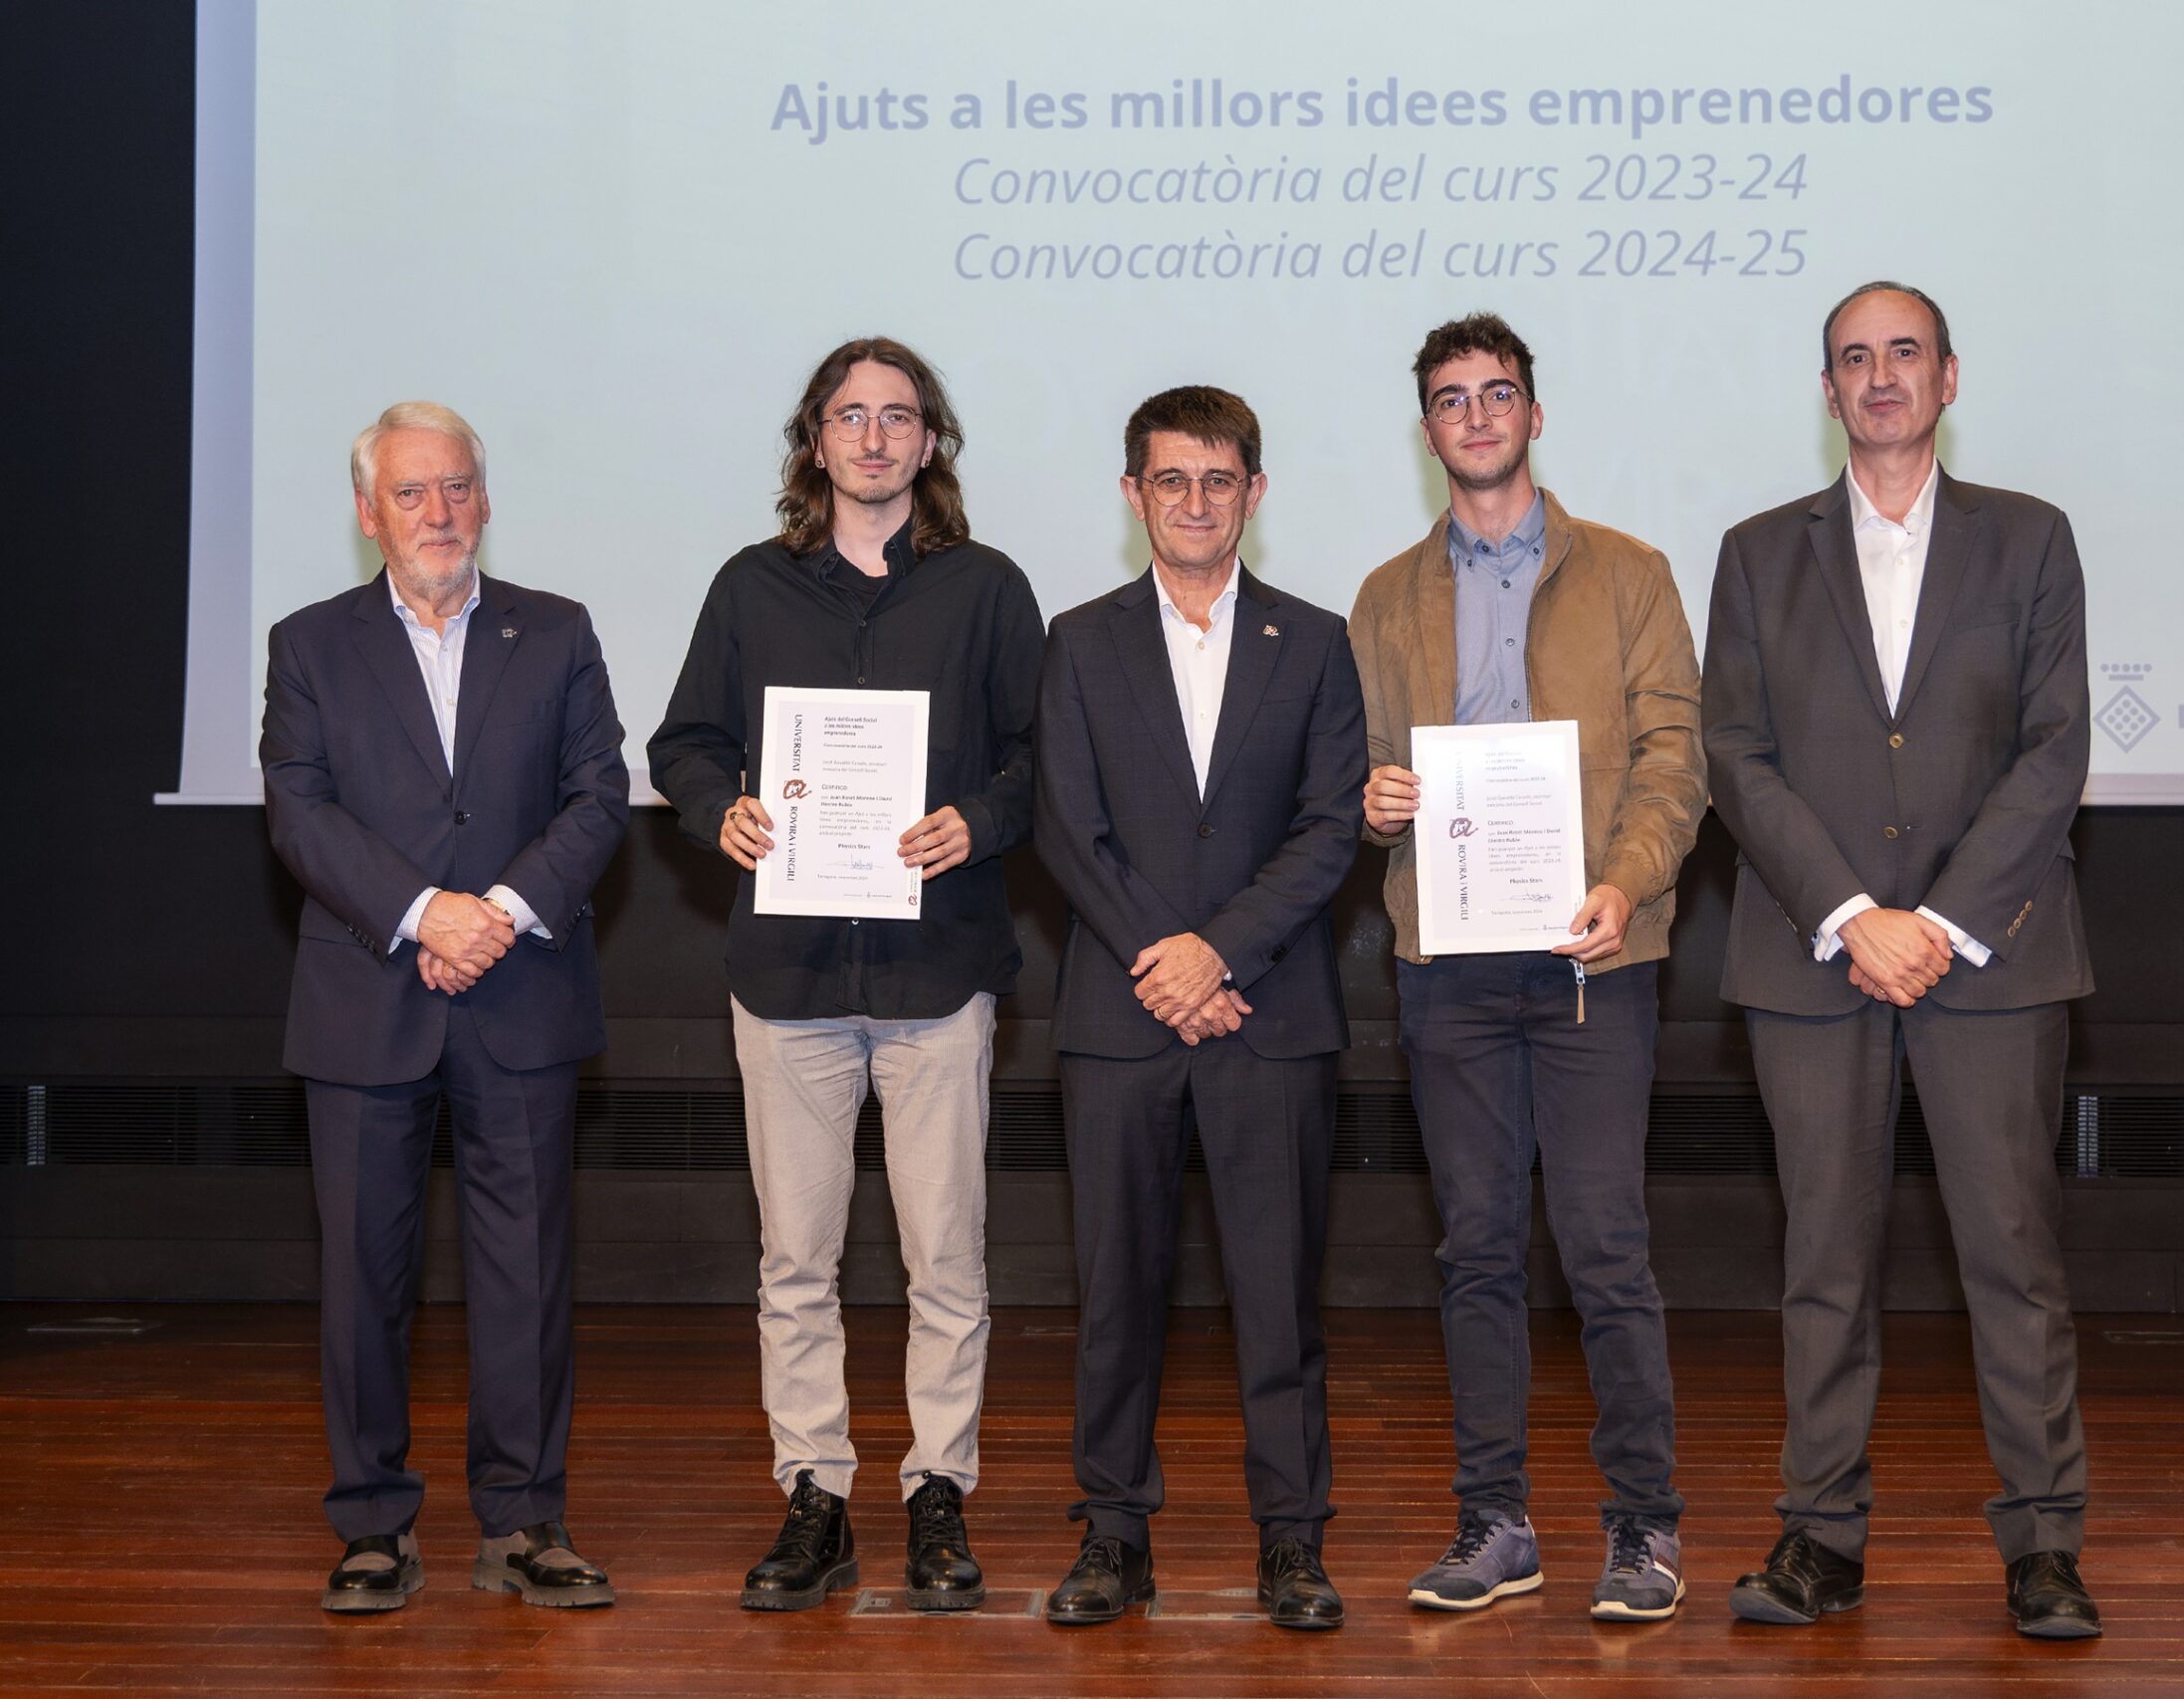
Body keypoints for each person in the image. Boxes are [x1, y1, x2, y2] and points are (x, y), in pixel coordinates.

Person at [1703, 282, 2099, 1639]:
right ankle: (1821, 1536)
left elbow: (2055, 746)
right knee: (1823, 1265)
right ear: (1827, 392)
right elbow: (1734, 754)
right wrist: (1850, 910)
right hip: (1814, 960)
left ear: (1948, 377)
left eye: (1904, 353)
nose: (1880, 376)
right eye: (1854, 359)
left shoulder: (2030, 538)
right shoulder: (1757, 553)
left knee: (2014, 1261)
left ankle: (2043, 1545)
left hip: (1992, 957)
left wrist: (1935, 921)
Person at [647, 337, 1042, 1613]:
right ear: (814, 440)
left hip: (939, 970)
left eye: (898, 416)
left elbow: (1043, 755)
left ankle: (938, 1493)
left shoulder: (987, 589)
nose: (874, 438)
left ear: (931, 441)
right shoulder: (749, 586)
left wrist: (978, 820)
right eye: (850, 416)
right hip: (791, 978)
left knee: (947, 1263)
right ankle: (814, 1493)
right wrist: (717, 810)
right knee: (794, 1265)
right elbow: (684, 742)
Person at [1352, 314, 1705, 1621]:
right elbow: (1355, 772)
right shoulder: (1383, 598)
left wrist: (1628, 880)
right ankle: (1495, 1521)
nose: (1477, 416)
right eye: (1452, 399)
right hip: (1447, 965)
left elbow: (1676, 757)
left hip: (1591, 958)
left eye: (1497, 393)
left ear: (1534, 415)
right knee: (1478, 1251)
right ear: (1427, 429)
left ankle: (1644, 1527)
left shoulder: (1630, 573)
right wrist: (1373, 802)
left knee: (1605, 1247)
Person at [263, 401, 629, 1612]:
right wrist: (427, 913)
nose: (439, 512)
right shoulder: (309, 644)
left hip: (520, 992)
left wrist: (498, 913)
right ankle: (371, 1523)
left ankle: (524, 1520)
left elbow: (597, 795)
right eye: (412, 492)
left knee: (526, 1275)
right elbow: (300, 811)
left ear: (486, 499)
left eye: (457, 487)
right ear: (368, 512)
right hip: (368, 996)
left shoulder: (557, 629)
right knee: (363, 1278)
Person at [1033, 385, 1366, 1631]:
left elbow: (1329, 826)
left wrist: (1217, 955)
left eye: (1218, 480)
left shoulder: (1315, 641)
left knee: (1277, 1298)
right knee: (1116, 1295)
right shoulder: (1079, 640)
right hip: (1120, 1020)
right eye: (1170, 480)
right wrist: (1165, 965)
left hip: (1269, 1014)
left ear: (1253, 493)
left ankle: (1292, 1539)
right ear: (1134, 495)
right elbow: (1067, 828)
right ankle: (1114, 1533)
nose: (1194, 502)